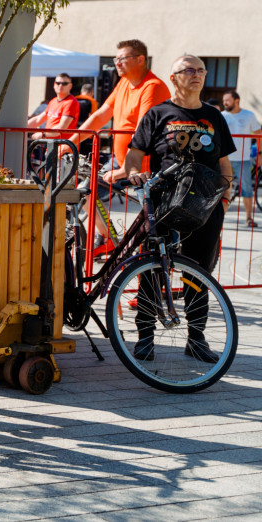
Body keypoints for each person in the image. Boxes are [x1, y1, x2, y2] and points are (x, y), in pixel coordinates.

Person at [120, 55, 236, 364]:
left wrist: (224, 198)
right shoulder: (158, 114)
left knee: (199, 274)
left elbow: (224, 164)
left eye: (200, 70)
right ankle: (145, 336)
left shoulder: (214, 116)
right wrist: (132, 173)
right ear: (174, 78)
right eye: (189, 69)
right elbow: (134, 155)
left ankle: (195, 339)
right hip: (162, 205)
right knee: (151, 271)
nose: (196, 74)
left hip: (205, 207)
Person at [71, 39, 170, 253]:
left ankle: (154, 264)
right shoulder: (124, 82)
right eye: (116, 58)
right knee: (86, 191)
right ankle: (107, 238)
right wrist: (70, 142)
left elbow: (143, 132)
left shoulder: (153, 87)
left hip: (145, 166)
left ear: (140, 59)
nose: (117, 63)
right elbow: (100, 116)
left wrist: (124, 170)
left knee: (151, 218)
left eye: (122, 58)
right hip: (122, 160)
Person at [221, 90, 261, 227]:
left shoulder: (249, 115)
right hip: (224, 158)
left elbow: (258, 134)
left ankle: (249, 218)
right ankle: (218, 218)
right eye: (224, 100)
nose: (224, 103)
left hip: (243, 158)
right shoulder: (221, 116)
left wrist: (260, 154)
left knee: (247, 189)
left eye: (227, 100)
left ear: (236, 101)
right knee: (221, 188)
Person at [28, 73, 79, 138]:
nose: (60, 86)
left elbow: (62, 128)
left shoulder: (71, 102)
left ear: (70, 86)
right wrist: (21, 127)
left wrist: (42, 134)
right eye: (58, 83)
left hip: (63, 145)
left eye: (64, 84)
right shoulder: (53, 101)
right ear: (54, 85)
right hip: (50, 144)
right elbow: (38, 119)